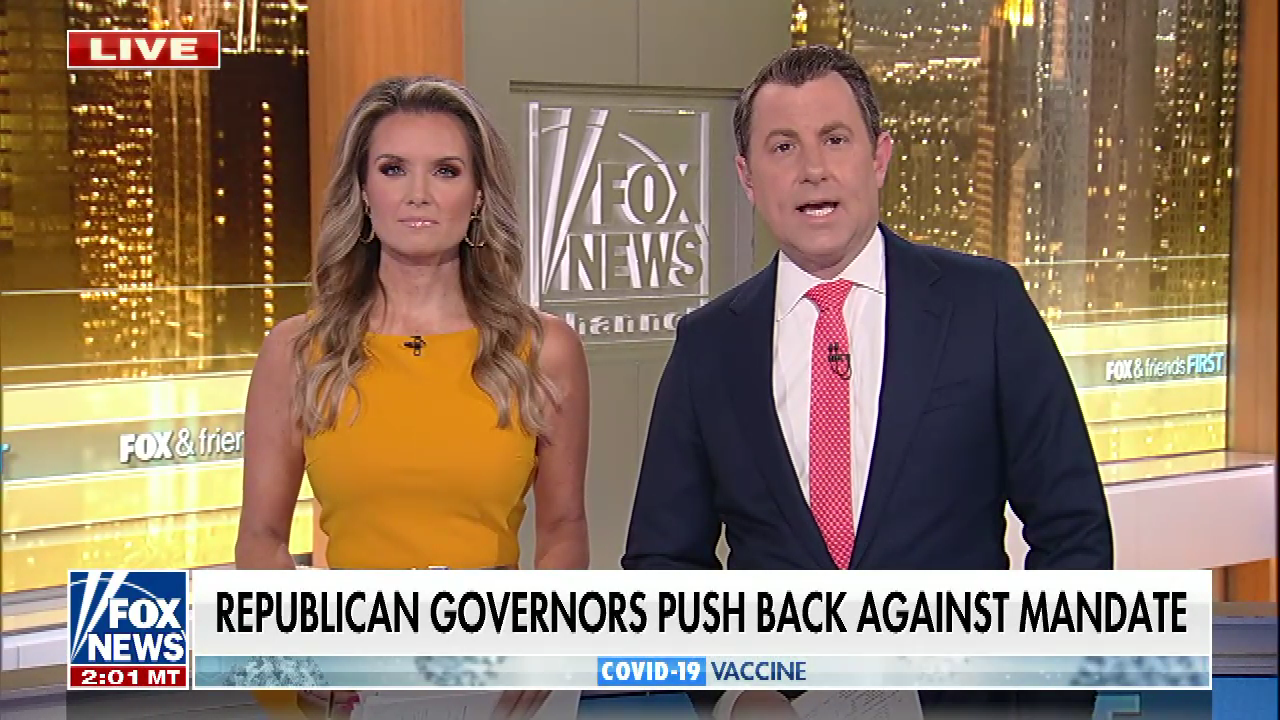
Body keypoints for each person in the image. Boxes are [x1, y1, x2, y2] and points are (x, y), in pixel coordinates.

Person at [621, 45, 1113, 719]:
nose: (813, 170)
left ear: (878, 157)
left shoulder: (985, 305)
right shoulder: (708, 345)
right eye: (783, 147)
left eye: (835, 139)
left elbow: (1072, 532)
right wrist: (735, 696)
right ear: (747, 176)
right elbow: (664, 566)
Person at [236, 75, 590, 719]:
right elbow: (260, 537)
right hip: (352, 669)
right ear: (363, 191)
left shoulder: (545, 349)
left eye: (446, 170)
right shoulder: (297, 351)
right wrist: (299, 662)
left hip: (494, 668)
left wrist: (548, 642)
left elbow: (565, 525)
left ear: (478, 196)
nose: (418, 193)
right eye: (393, 168)